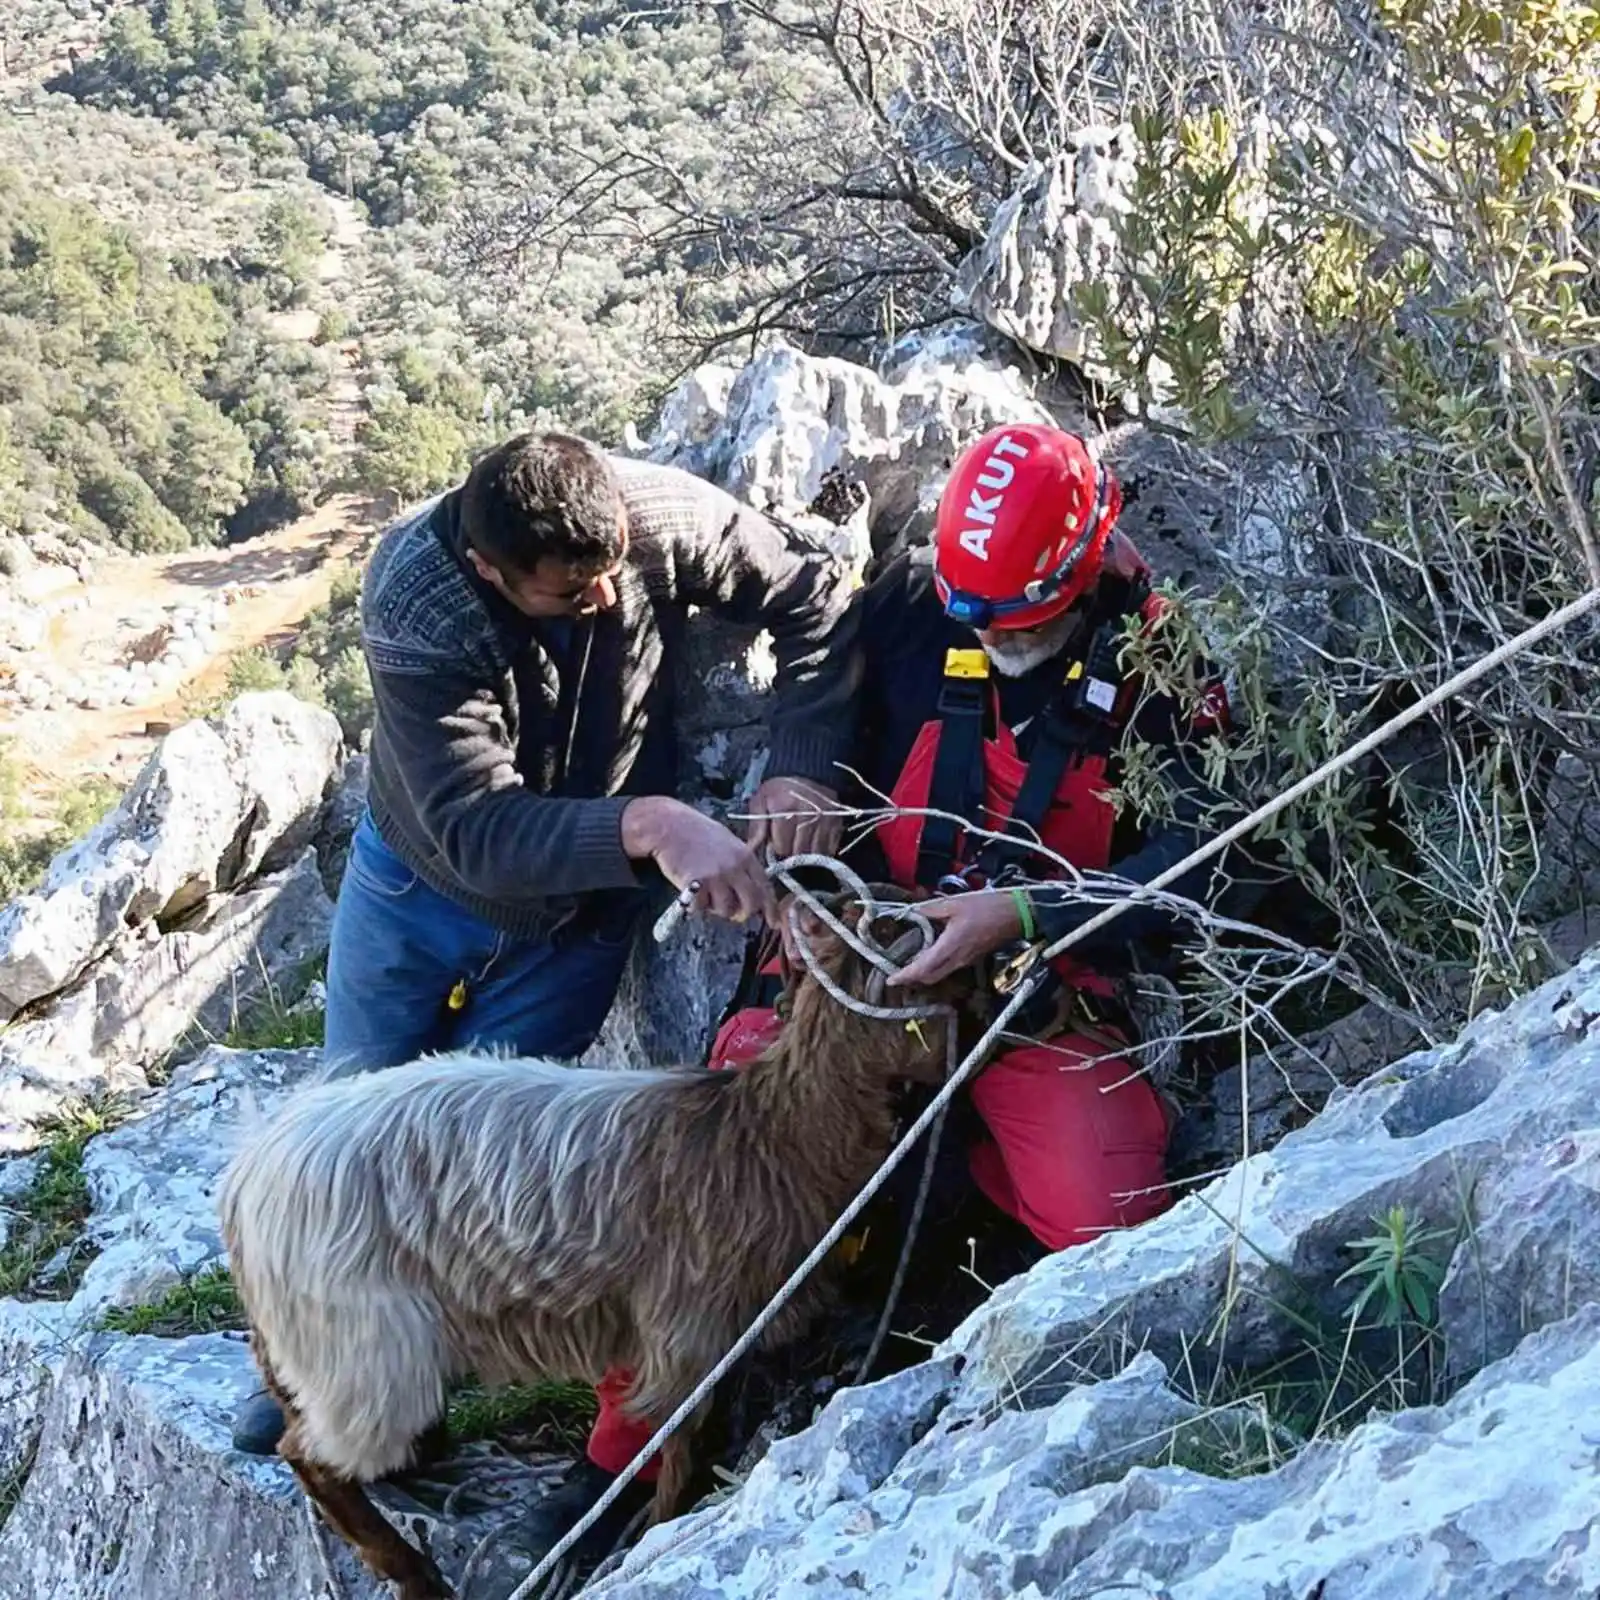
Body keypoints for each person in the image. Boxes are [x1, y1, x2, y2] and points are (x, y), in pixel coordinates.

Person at [543, 421, 1247, 1560]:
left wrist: (1023, 913)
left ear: (1081, 575)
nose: (985, 633)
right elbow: (823, 688)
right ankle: (623, 1454)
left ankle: (958, 1184)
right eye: (973, 610)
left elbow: (1212, 857)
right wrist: (803, 801)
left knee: (1105, 1223)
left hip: (1032, 983)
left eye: (1010, 617)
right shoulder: (922, 607)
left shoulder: (1168, 673)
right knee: (715, 1182)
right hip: (853, 970)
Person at [230, 429, 858, 1462]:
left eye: (611, 578)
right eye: (570, 596)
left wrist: (800, 767)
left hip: (576, 914)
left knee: (482, 1142)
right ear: (489, 568)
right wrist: (650, 826)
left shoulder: (650, 516)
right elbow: (473, 824)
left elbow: (811, 598)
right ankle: (317, 1358)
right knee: (344, 1134)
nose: (604, 604)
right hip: (423, 882)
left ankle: (438, 1355)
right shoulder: (416, 599)